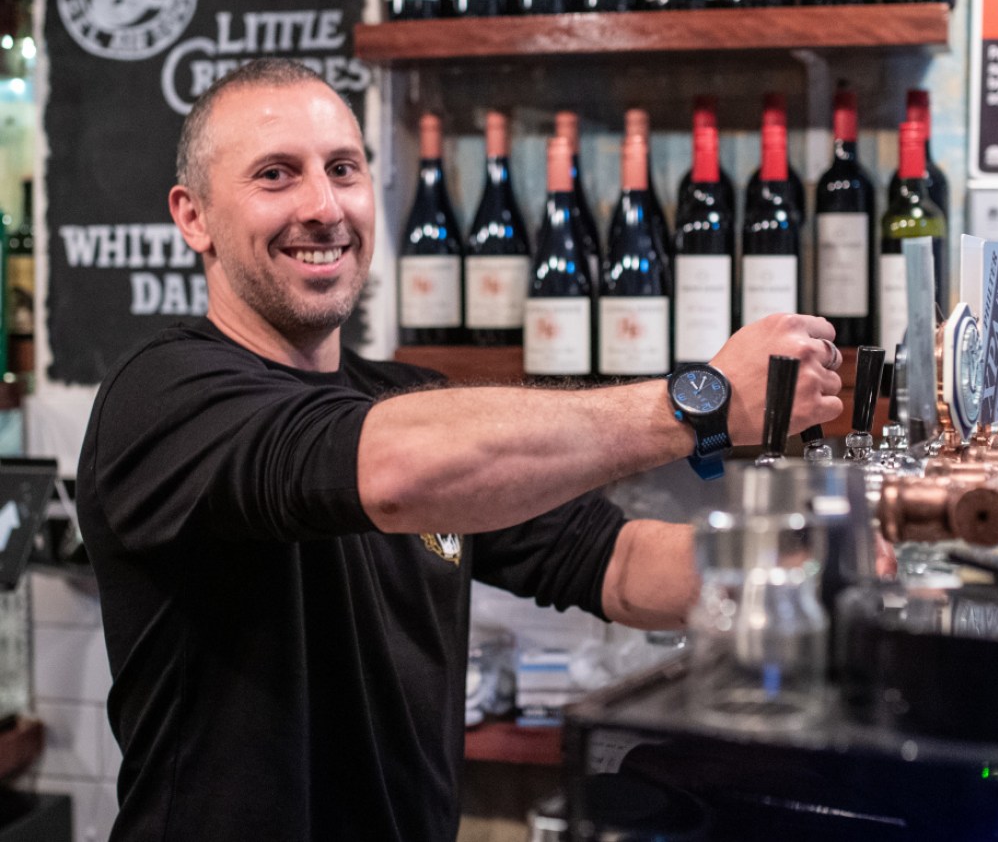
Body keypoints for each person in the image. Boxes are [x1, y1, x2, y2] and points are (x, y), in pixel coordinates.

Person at [76, 58, 843, 842]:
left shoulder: (409, 398)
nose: (323, 207)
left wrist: (827, 566)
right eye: (276, 175)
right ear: (193, 215)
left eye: (343, 169)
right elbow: (388, 474)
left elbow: (611, 560)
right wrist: (698, 401)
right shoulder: (162, 398)